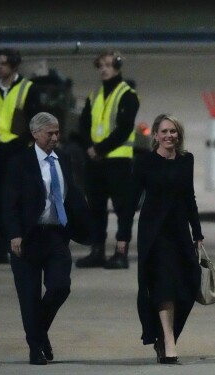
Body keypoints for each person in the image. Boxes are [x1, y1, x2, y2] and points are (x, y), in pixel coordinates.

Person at [3, 112, 92, 365]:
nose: (55, 137)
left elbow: (70, 193)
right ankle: (36, 347)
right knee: (29, 296)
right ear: (35, 134)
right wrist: (14, 234)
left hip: (55, 235)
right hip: (28, 238)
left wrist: (86, 224)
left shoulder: (62, 158)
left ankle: (38, 333)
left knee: (60, 286)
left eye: (57, 132)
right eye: (50, 133)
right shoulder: (19, 162)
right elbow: (9, 203)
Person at [116, 114, 204, 364]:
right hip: (154, 235)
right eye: (164, 131)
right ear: (155, 135)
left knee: (188, 288)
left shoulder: (186, 160)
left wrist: (197, 232)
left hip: (179, 232)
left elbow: (190, 198)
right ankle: (168, 342)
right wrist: (123, 235)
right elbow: (131, 201)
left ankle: (165, 337)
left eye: (173, 131)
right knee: (164, 286)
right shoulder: (145, 162)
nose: (169, 136)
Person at [76, 50, 140, 270]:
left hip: (118, 161)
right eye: (101, 65)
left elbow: (124, 128)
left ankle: (120, 254)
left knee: (123, 210)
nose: (104, 69)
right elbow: (83, 124)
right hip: (95, 161)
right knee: (95, 209)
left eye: (109, 65)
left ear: (118, 67)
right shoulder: (94, 95)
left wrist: (99, 149)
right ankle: (97, 251)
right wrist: (89, 148)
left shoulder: (127, 94)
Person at [0, 48, 40, 264]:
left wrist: (18, 145)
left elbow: (34, 123)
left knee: (20, 202)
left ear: (14, 66)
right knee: (1, 203)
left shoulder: (28, 89)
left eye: (4, 63)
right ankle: (0, 248)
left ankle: (23, 247)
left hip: (18, 153)